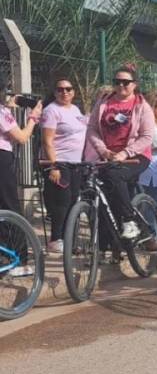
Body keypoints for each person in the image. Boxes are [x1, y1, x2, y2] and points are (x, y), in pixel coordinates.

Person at [85, 63, 154, 240]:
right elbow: (92, 128)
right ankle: (108, 246)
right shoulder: (103, 102)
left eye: (126, 82)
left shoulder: (142, 106)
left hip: (135, 156)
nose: (121, 86)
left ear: (135, 84)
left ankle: (130, 220)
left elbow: (146, 137)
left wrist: (125, 153)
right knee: (102, 193)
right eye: (117, 82)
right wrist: (103, 150)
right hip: (108, 156)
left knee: (115, 176)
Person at [39, 78, 87, 253]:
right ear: (55, 92)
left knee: (73, 201)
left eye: (68, 89)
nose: (64, 92)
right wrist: (54, 166)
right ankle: (55, 239)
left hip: (75, 163)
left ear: (73, 92)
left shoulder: (75, 109)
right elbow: (47, 141)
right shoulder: (51, 111)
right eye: (60, 89)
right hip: (59, 163)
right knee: (62, 202)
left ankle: (69, 241)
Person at [0, 81, 42, 275]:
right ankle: (20, 261)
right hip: (2, 159)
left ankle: (4, 256)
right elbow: (22, 137)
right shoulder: (2, 112)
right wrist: (33, 118)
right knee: (10, 207)